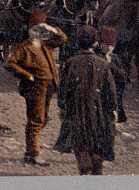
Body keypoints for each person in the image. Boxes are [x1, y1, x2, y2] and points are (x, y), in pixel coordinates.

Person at [53, 26, 117, 175]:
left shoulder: (69, 62)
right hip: (98, 112)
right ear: (95, 43)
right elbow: (111, 91)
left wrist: (63, 107)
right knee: (97, 141)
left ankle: (84, 169)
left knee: (80, 143)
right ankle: (97, 168)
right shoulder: (103, 64)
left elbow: (62, 89)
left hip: (76, 112)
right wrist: (112, 108)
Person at [6, 11, 68, 166]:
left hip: (49, 87)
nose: (37, 33)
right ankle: (32, 154)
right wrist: (27, 75)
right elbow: (10, 64)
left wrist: (49, 27)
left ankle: (31, 147)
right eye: (34, 29)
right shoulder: (23, 48)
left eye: (40, 30)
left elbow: (63, 39)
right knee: (36, 120)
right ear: (29, 30)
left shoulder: (46, 44)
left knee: (43, 119)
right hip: (34, 88)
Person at [96, 26, 127, 123]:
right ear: (100, 44)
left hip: (113, 95)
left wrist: (111, 64)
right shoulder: (96, 57)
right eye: (106, 45)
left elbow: (123, 76)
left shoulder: (115, 59)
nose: (109, 48)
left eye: (112, 45)